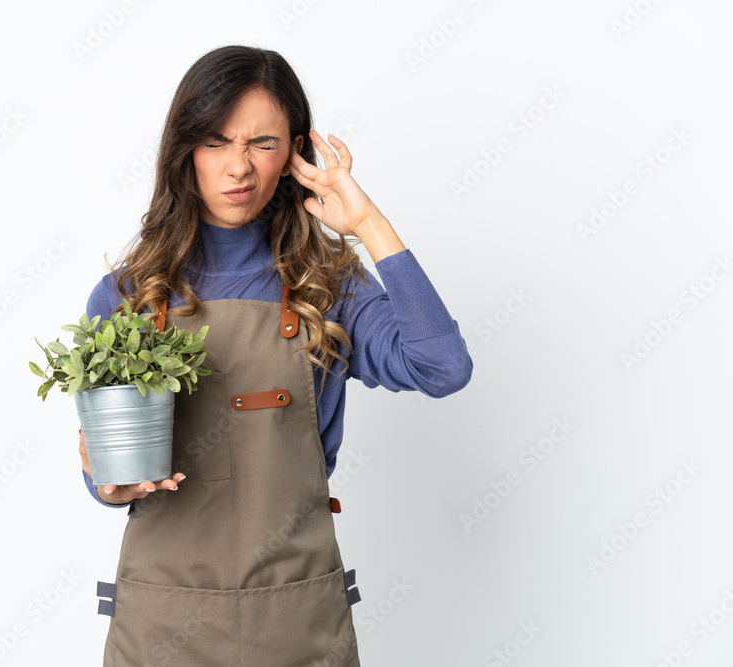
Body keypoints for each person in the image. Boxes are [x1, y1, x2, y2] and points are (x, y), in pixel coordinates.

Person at [80, 44, 473, 666]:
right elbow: (103, 473)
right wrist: (109, 481)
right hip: (164, 627)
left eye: (263, 143)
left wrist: (367, 223)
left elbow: (443, 367)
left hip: (294, 622)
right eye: (216, 141)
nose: (239, 167)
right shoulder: (131, 295)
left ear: (294, 154)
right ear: (185, 151)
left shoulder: (330, 286)